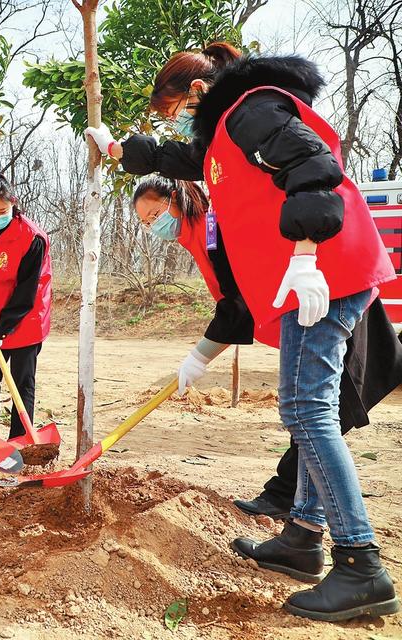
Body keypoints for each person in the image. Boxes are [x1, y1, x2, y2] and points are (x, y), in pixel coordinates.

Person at [87, 43, 399, 621]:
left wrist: (305, 254)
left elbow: (315, 167)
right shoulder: (222, 139)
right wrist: (120, 149)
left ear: (200, 94)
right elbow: (182, 156)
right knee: (310, 410)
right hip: (305, 280)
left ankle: (360, 564)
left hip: (324, 271)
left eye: (174, 109)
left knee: (306, 411)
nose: (174, 123)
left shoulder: (249, 110)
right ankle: (302, 537)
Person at [133, 175, 402, 516]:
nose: (155, 226)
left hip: (330, 307)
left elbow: (236, 307)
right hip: (308, 315)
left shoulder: (214, 230)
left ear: (175, 197)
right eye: (147, 223)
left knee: (313, 416)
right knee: (312, 415)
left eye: (156, 214)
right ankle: (299, 512)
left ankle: (338, 530)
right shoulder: (202, 234)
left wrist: (198, 358)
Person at [0, 174, 52, 439]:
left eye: (2, 211)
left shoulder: (32, 238)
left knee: (20, 384)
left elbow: (27, 291)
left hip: (25, 319)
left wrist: (1, 331)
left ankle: (19, 441)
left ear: (13, 203)